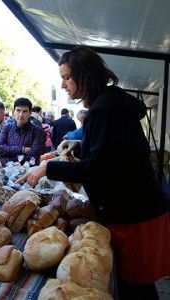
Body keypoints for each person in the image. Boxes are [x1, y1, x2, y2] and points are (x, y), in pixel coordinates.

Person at [18, 46, 170, 300]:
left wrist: (48, 167)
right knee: (135, 286)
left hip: (134, 214)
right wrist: (80, 144)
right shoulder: (109, 103)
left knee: (136, 289)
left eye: (67, 77)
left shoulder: (105, 110)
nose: (64, 85)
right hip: (136, 208)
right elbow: (112, 150)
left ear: (84, 75)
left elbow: (99, 167)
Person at [0, 97, 46, 165]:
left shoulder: (38, 131)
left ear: (30, 113)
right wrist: (22, 149)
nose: (21, 114)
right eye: (18, 110)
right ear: (13, 112)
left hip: (29, 172)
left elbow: (33, 157)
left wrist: (6, 158)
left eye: (25, 111)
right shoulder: (7, 128)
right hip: (7, 171)